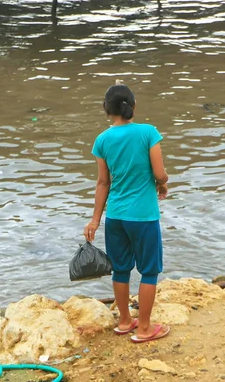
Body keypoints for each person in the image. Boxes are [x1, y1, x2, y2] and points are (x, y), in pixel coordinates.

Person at [84, 84, 170, 343]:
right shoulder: (148, 133)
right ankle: (144, 328)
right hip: (143, 216)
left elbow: (103, 183)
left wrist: (95, 220)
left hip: (116, 216)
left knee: (120, 270)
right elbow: (159, 173)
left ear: (107, 111)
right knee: (149, 271)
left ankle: (124, 321)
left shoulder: (102, 140)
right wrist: (163, 182)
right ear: (133, 106)